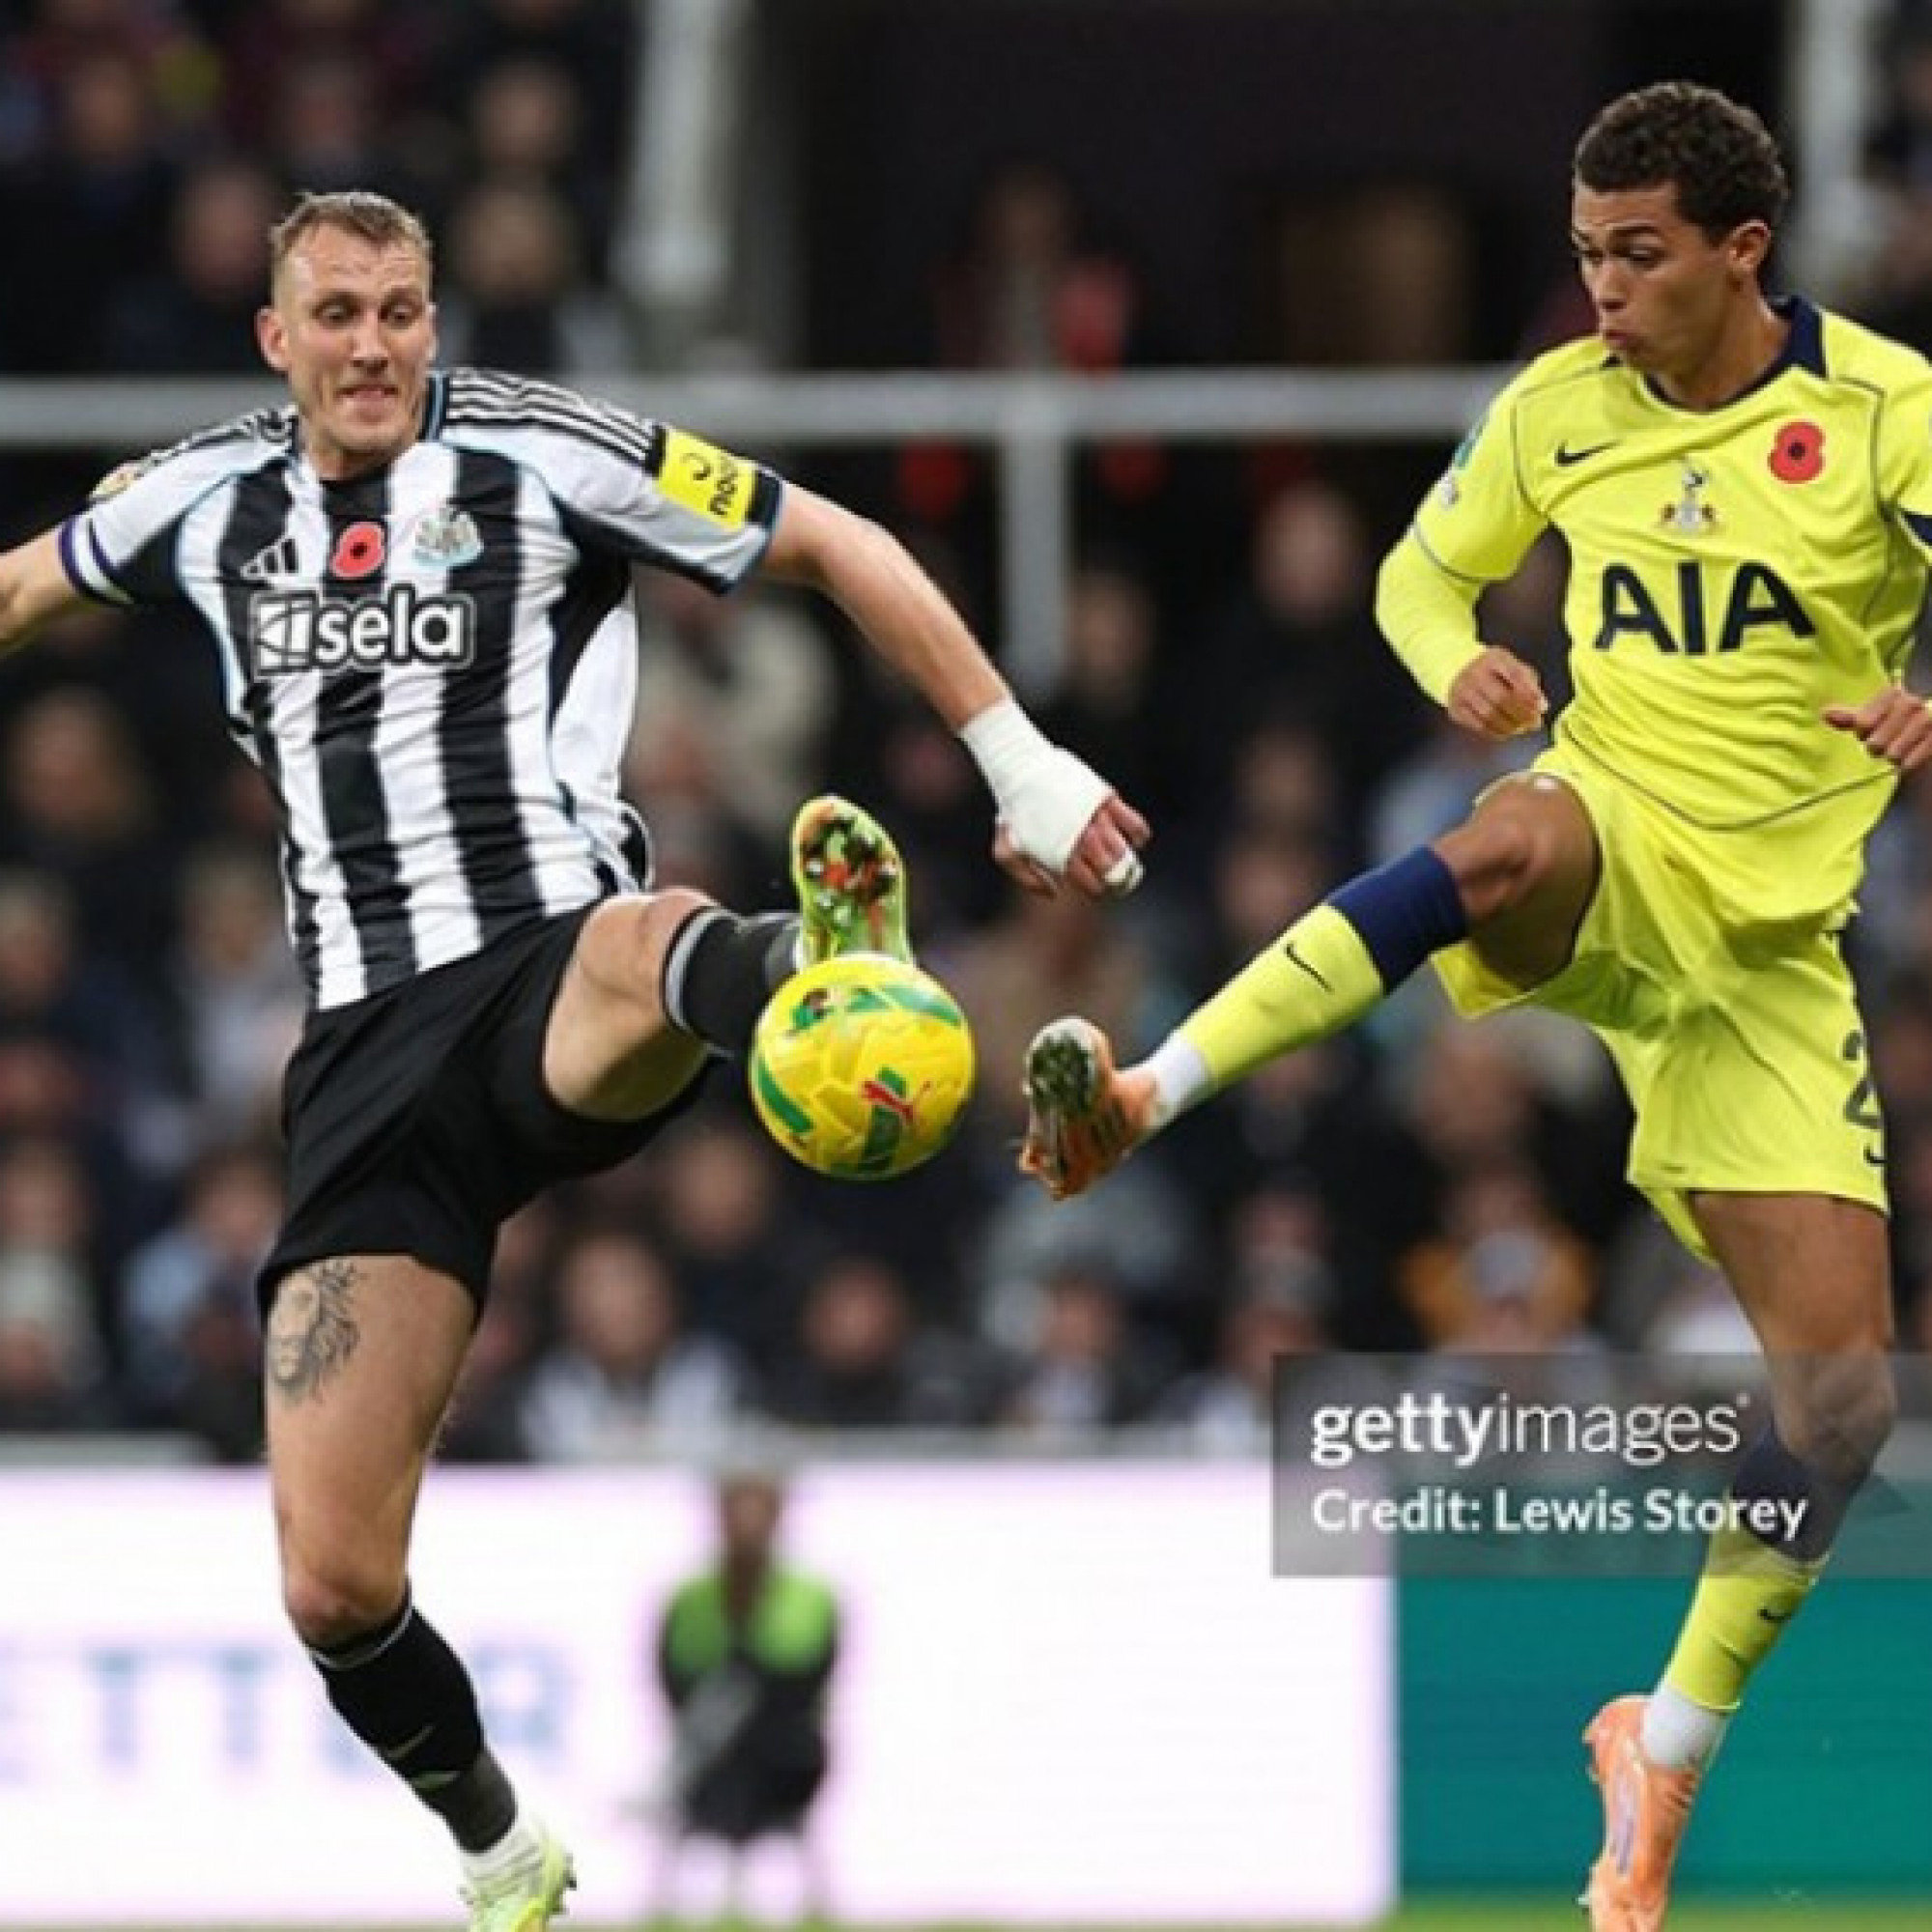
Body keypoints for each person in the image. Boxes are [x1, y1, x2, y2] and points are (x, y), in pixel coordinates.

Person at [0, 189, 1148, 1932]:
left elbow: (837, 541)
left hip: (551, 965)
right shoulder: (197, 497)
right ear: (276, 336)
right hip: (365, 1066)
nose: (373, 344)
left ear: (435, 320)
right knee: (330, 1582)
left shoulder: (544, 450)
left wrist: (1022, 761)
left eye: (400, 309)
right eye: (337, 314)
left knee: (636, 934)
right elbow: (18, 588)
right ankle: (500, 1845)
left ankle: (808, 964)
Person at [1017, 81, 1924, 1930]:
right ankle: (1146, 1088)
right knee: (1495, 850)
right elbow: (1415, 571)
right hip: (1613, 832)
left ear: (1744, 254)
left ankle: (1657, 1752)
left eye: (1640, 256)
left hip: (1762, 966)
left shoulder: (1887, 410)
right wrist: (1466, 659)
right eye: (1586, 253)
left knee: (1838, 1402)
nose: (1601, 291)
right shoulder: (1555, 412)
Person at [649, 1463, 839, 1923]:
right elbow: (672, 1677)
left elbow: (802, 1678)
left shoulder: (810, 1596)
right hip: (709, 1755)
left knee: (765, 1736)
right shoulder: (691, 1598)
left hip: (784, 1755)